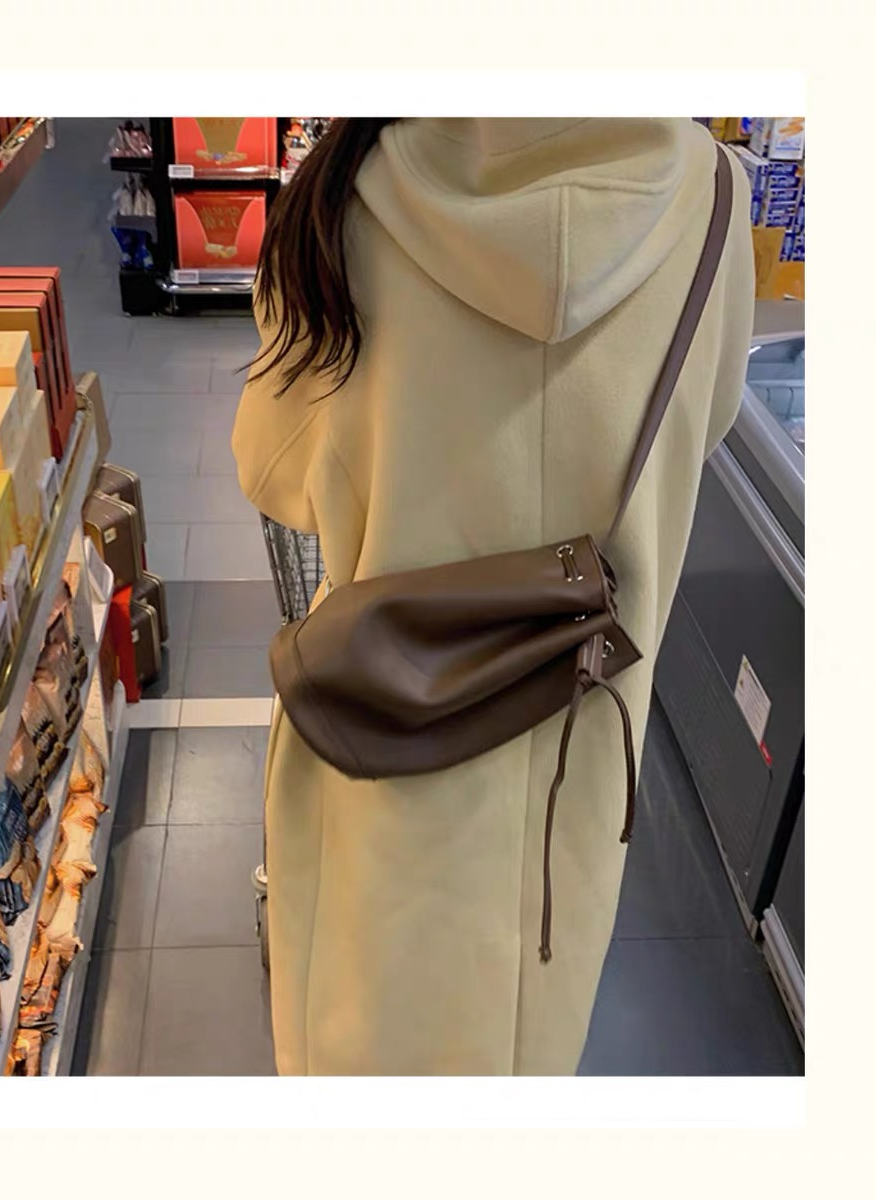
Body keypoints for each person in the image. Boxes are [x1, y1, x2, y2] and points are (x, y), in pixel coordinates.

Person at [232, 118, 755, 1075]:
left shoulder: (343, 198)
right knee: (529, 1047)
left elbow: (274, 472)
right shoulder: (715, 198)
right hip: (576, 769)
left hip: (383, 741)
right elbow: (707, 418)